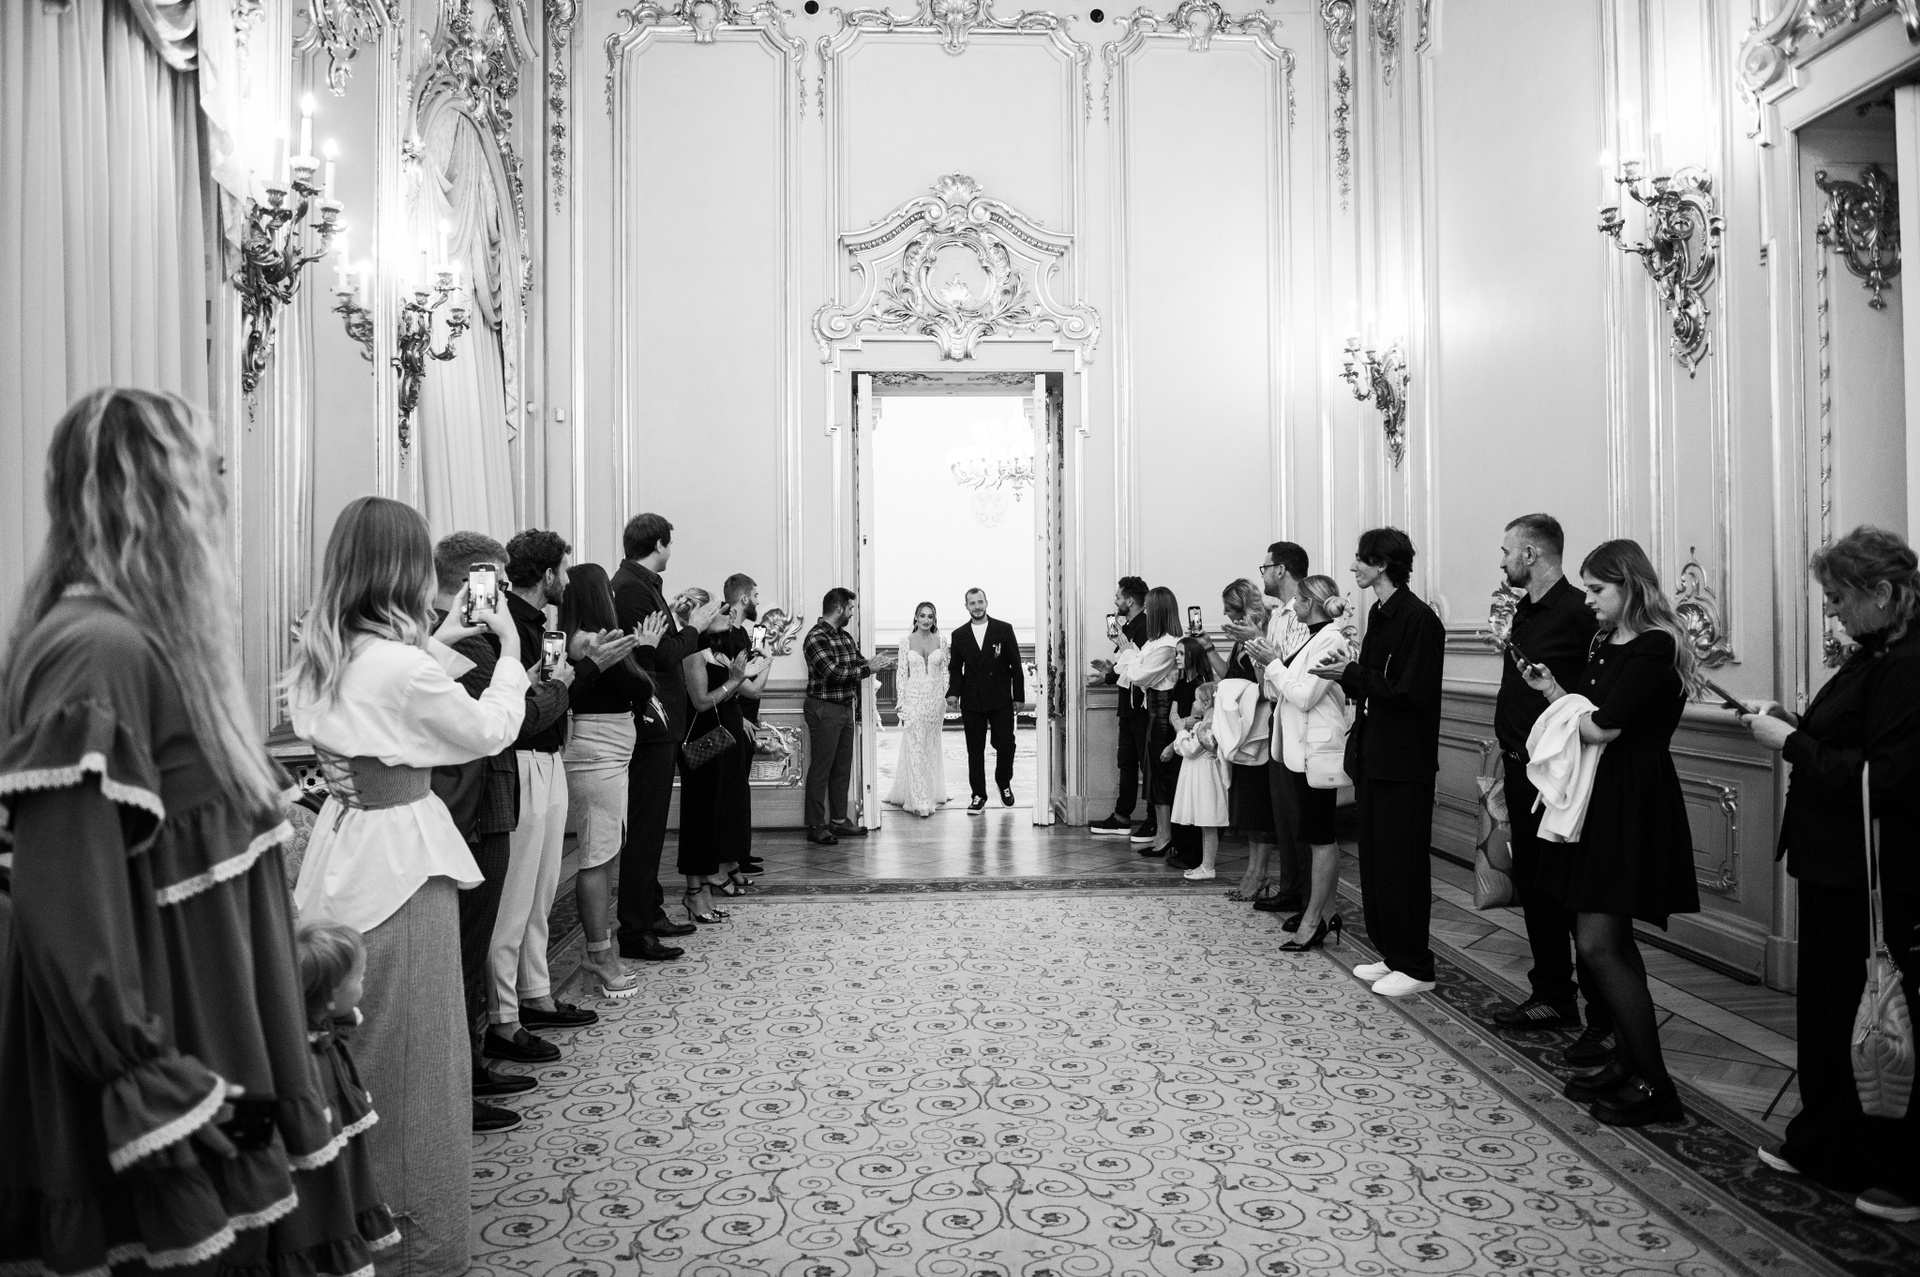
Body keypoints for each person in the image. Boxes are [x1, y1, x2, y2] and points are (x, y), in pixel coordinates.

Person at [0, 390, 390, 1277]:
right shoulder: (96, 649)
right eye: (209, 471)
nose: (223, 494)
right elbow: (68, 911)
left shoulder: (140, 642)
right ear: (155, 491)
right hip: (167, 1059)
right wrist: (163, 1083)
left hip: (210, 1032)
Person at [288, 494, 529, 1275]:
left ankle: (352, 1226)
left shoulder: (322, 649)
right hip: (401, 870)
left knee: (360, 1048)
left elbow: (384, 707)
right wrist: (511, 651)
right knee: (420, 1063)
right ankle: (418, 1246)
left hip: (343, 851)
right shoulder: (399, 666)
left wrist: (441, 637)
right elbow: (487, 728)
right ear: (404, 568)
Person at [1739, 526, 1920, 1222]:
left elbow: (1886, 778)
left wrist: (1791, 742)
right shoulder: (1875, 654)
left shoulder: (1909, 664)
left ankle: (1896, 1169)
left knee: (1879, 1019)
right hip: (1833, 866)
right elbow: (1842, 740)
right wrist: (1791, 722)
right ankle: (1825, 1144)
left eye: (1840, 598)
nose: (1834, 612)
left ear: (1883, 592)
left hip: (1871, 876)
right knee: (1828, 1016)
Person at [1518, 539, 1699, 1126]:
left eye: (1598, 589)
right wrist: (1554, 693)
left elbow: (1604, 726)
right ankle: (1627, 1064)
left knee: (1597, 944)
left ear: (1630, 585)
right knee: (1609, 942)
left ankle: (1656, 1085)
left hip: (1631, 799)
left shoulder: (1654, 644)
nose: (1588, 599)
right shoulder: (1606, 640)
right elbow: (1588, 712)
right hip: (1598, 796)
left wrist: (1568, 717)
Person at [427, 531, 568, 1132]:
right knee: (467, 947)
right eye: (498, 582)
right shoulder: (468, 642)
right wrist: (552, 682)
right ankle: (465, 1074)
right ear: (476, 581)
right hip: (477, 808)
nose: (505, 593)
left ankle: (472, 1063)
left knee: (474, 941)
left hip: (477, 802)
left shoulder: (451, 636)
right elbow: (502, 725)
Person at [1488, 515, 1613, 1061]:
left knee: (1569, 893)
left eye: (1507, 551)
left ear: (1532, 553)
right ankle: (1552, 996)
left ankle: (1602, 1015)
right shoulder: (1524, 610)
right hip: (1520, 769)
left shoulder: (1579, 612)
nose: (1502, 561)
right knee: (1535, 885)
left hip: (1561, 778)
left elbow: (1591, 697)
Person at [1313, 527, 1446, 999]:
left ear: (1383, 563)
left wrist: (1352, 672)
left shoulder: (1420, 620)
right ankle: (1392, 953)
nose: (1353, 567)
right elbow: (1370, 681)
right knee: (1375, 862)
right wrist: (1344, 672)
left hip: (1404, 764)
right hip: (1374, 757)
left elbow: (1411, 692)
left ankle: (1417, 965)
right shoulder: (1378, 612)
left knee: (1402, 866)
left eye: (1361, 559)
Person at [484, 529, 599, 1068]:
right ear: (548, 574)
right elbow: (525, 708)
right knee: (514, 898)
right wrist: (575, 676)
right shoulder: (506, 625)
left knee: (542, 890)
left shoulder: (539, 624)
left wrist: (576, 668)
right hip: (521, 762)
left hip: (549, 758)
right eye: (564, 570)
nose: (568, 580)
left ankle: (536, 995)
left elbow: (550, 693)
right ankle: (503, 1019)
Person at [610, 512, 719, 960]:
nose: (671, 550)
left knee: (651, 828)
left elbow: (660, 647)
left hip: (660, 721)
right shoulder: (633, 588)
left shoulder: (640, 584)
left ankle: (650, 913)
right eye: (669, 543)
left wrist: (681, 624)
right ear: (658, 544)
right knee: (645, 829)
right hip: (652, 721)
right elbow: (659, 656)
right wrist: (696, 627)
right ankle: (636, 930)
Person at [559, 563, 659, 998]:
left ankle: (600, 951)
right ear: (600, 596)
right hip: (598, 750)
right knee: (598, 854)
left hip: (606, 749)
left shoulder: (579, 637)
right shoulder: (592, 640)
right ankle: (598, 954)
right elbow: (640, 687)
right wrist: (645, 650)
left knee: (604, 849)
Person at [281, 922, 401, 1263]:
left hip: (345, 1149)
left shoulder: (327, 1031)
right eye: (358, 978)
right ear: (331, 997)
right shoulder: (308, 1059)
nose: (363, 983)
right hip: (326, 1155)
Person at [1269, 575, 1352, 950]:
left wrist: (1272, 665)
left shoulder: (1331, 639)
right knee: (1315, 834)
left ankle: (1313, 919)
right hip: (1301, 750)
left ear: (1310, 603)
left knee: (1320, 837)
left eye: (1299, 600)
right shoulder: (1312, 638)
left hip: (1317, 750)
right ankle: (1327, 913)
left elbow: (1304, 696)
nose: (1294, 606)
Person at [1229, 543, 1313, 909]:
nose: (1262, 574)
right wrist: (1253, 646)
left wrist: (1259, 647)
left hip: (1297, 715)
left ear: (1280, 570)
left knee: (1297, 812)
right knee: (1282, 812)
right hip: (1277, 714)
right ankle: (1290, 889)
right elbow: (1267, 676)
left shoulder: (1304, 613)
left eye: (1265, 567)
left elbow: (1293, 671)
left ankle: (1304, 896)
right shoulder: (1277, 614)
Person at [678, 587, 769, 919]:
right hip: (703, 745)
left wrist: (738, 677)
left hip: (720, 744)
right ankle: (694, 893)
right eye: (719, 611)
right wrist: (734, 680)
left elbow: (732, 691)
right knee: (698, 821)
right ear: (702, 615)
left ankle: (704, 891)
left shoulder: (712, 650)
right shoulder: (692, 652)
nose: (727, 615)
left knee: (711, 819)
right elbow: (702, 701)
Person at [802, 588, 895, 843]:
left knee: (842, 768)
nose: (853, 613)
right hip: (824, 708)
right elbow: (833, 673)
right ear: (839, 608)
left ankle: (839, 821)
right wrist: (868, 668)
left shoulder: (845, 637)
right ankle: (816, 825)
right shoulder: (815, 637)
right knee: (821, 769)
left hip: (844, 708)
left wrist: (875, 663)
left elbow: (858, 664)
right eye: (851, 608)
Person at [1113, 586, 1184, 856]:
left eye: (1150, 609)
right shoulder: (1156, 642)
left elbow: (1140, 675)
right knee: (1154, 775)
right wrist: (1130, 656)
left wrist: (1129, 655)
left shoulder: (1168, 645)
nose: (1146, 613)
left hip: (1163, 710)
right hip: (1153, 708)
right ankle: (1163, 835)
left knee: (1161, 775)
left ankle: (1166, 836)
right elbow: (1127, 669)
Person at [1220, 580, 1281, 882]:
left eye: (1229, 609)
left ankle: (1260, 874)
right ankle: (1252, 870)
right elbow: (1230, 677)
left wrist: (1254, 644)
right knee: (1246, 805)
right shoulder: (1239, 639)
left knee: (1260, 806)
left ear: (1243, 607)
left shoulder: (1266, 633)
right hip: (1242, 727)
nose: (1225, 614)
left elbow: (1266, 683)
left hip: (1262, 728)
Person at [947, 588, 1025, 812]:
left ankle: (1004, 782)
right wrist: (953, 692)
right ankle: (978, 795)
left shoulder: (1004, 629)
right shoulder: (959, 635)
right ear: (966, 607)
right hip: (972, 700)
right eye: (972, 603)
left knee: (1006, 743)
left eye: (980, 602)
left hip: (1001, 699)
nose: (977, 607)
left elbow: (1015, 664)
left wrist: (1019, 696)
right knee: (975, 750)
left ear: (986, 603)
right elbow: (955, 668)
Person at [1090, 577, 1153, 840]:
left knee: (1147, 764)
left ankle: (1153, 820)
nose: (1115, 602)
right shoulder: (1128, 627)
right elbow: (1125, 666)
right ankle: (1121, 816)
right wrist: (1109, 670)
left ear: (1129, 600)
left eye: (1118, 597)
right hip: (1127, 705)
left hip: (1140, 707)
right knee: (1126, 762)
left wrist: (1109, 675)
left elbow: (1142, 668)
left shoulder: (1145, 627)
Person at [721, 572, 770, 879]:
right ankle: (733, 858)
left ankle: (739, 854)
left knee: (740, 791)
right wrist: (768, 661)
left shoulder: (741, 634)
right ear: (743, 598)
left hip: (744, 721)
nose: (758, 601)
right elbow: (747, 688)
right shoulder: (727, 635)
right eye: (755, 595)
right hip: (735, 724)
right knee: (734, 793)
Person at [888, 601, 952, 816]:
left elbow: (945, 672)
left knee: (931, 746)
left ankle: (933, 792)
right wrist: (901, 702)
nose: (926, 620)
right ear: (916, 617)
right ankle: (919, 799)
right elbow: (901, 674)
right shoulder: (905, 641)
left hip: (935, 700)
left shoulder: (941, 641)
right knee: (915, 746)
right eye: (922, 616)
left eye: (930, 616)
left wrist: (946, 697)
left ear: (934, 619)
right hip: (913, 699)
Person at [1165, 679, 1228, 879]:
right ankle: (1205, 864)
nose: (1193, 703)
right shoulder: (1202, 724)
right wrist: (1182, 736)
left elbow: (1191, 750)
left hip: (1206, 778)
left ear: (1206, 703)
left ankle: (1208, 867)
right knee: (1204, 823)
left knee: (1208, 822)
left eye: (1196, 700)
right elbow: (1183, 748)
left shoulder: (1209, 726)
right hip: (1198, 776)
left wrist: (1180, 731)